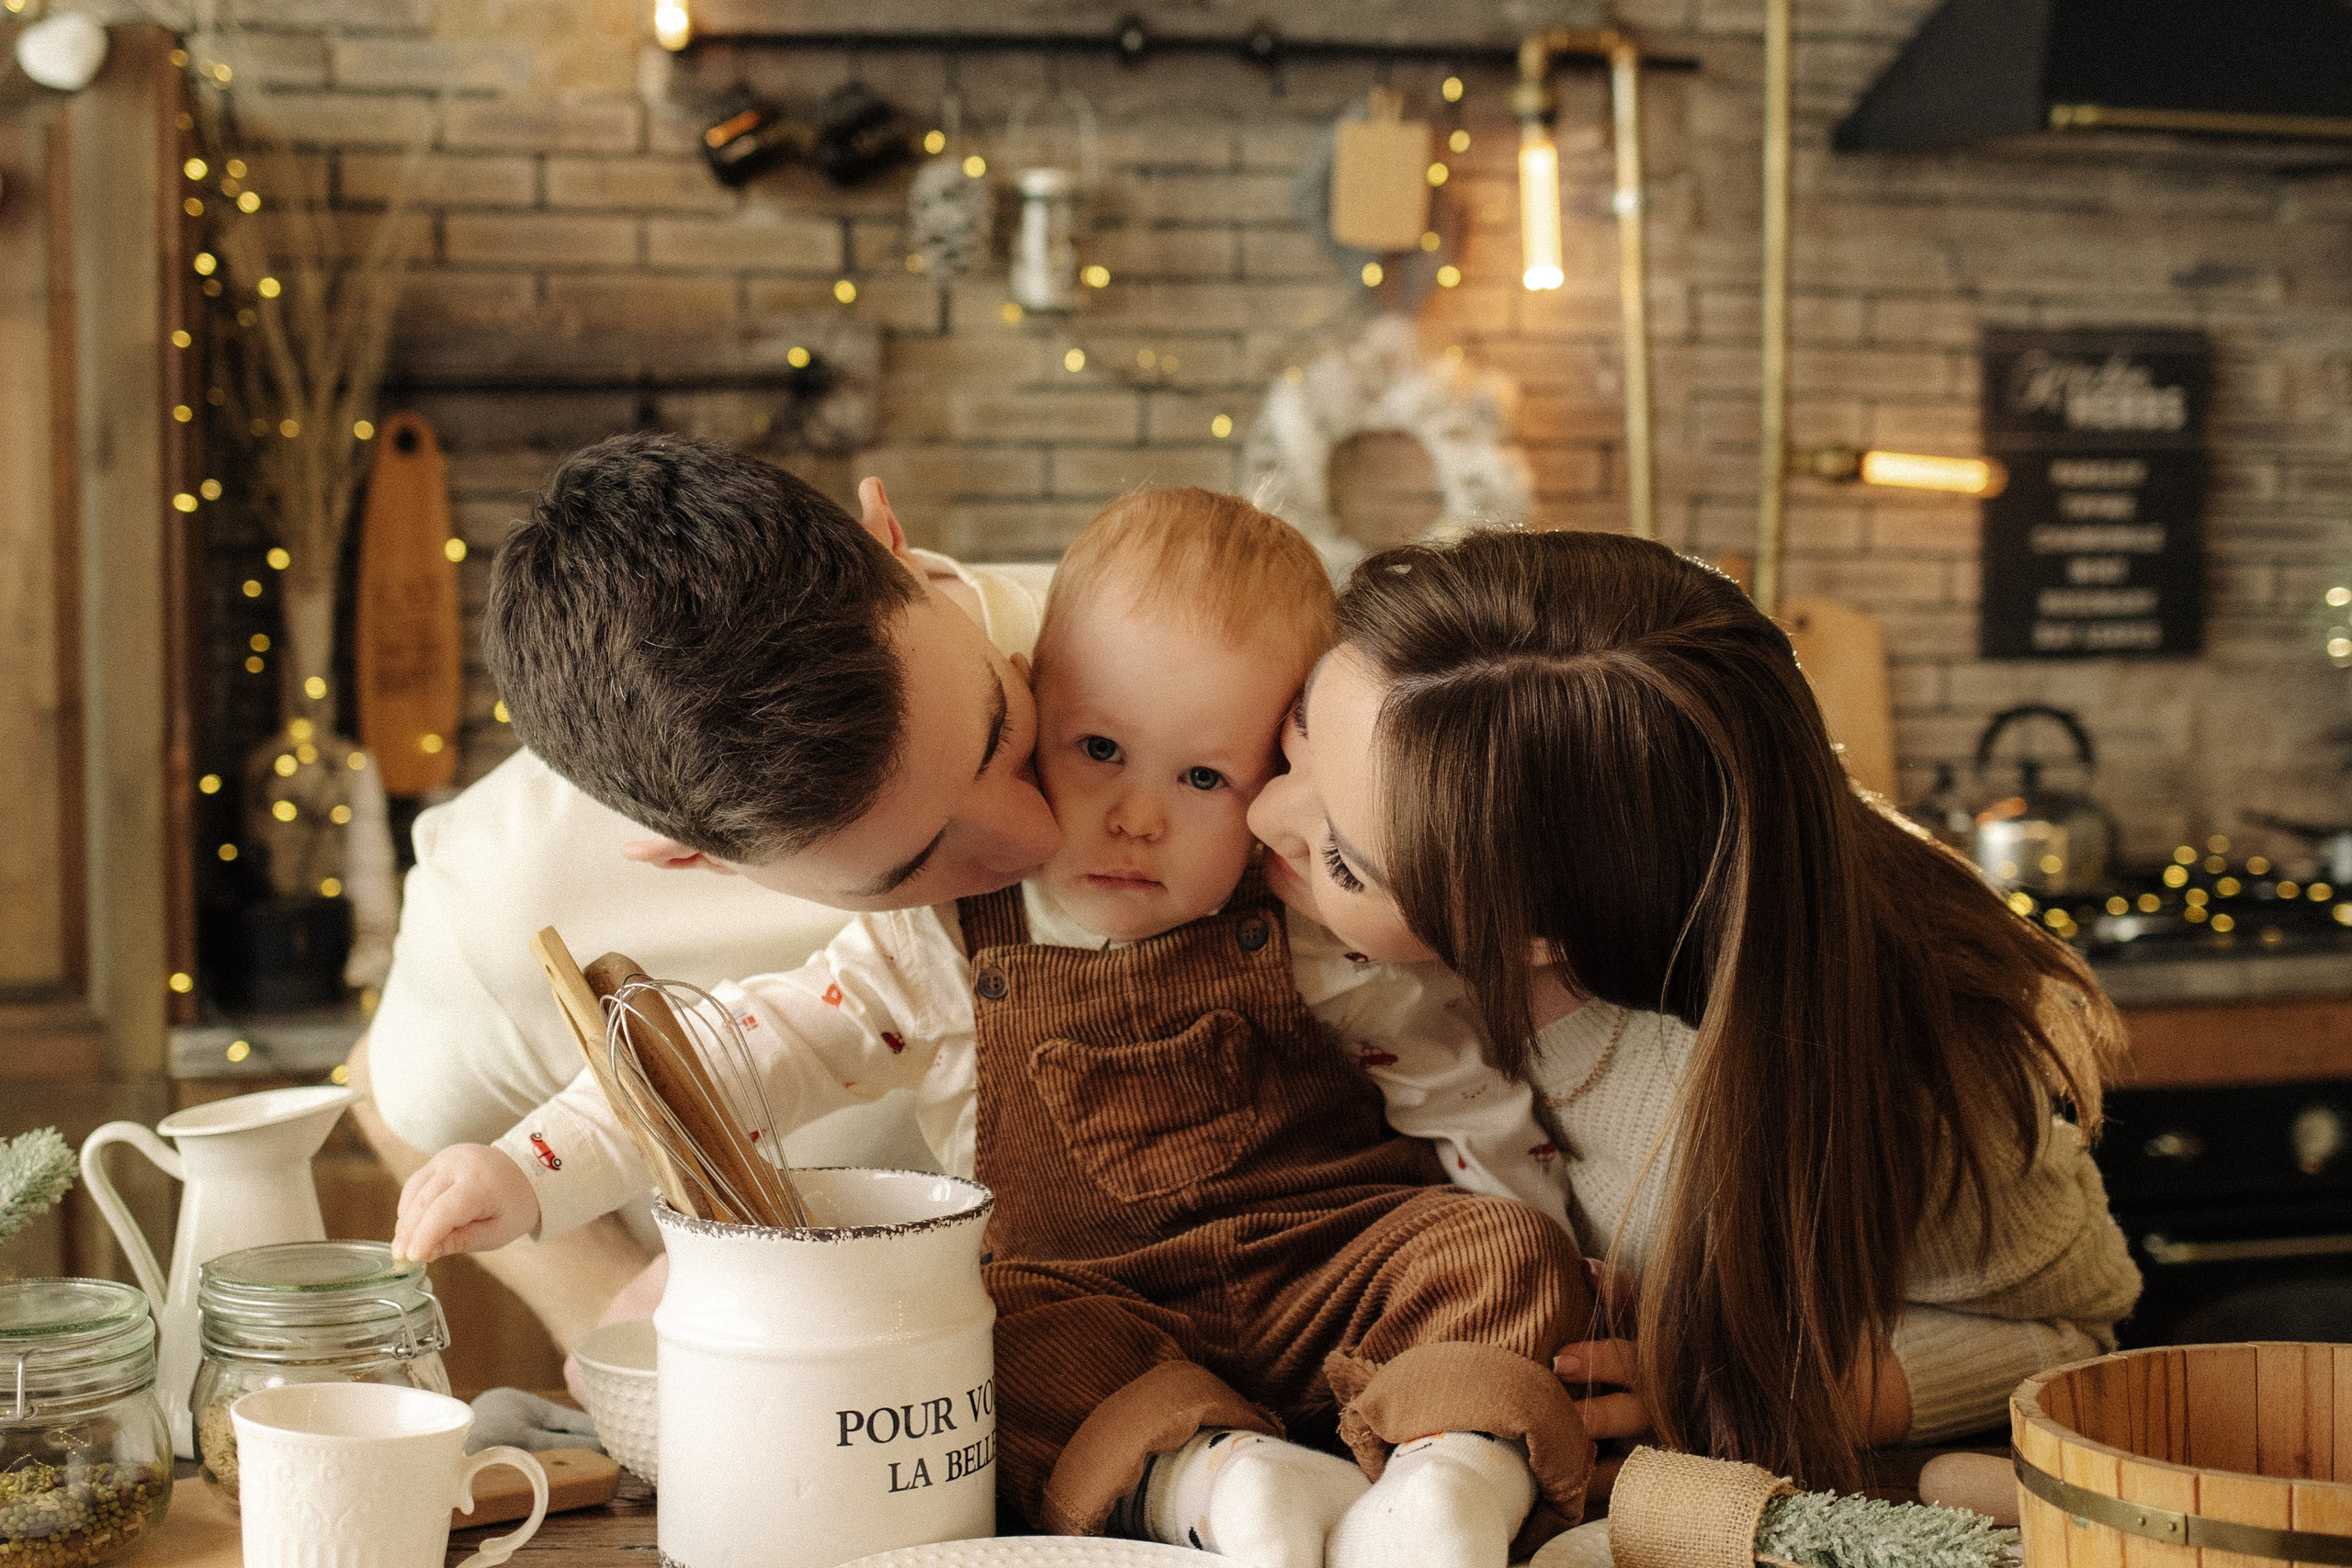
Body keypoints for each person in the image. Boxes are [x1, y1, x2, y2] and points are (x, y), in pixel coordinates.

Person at [395, 490, 1597, 1568]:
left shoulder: (1295, 892)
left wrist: (1561, 1253)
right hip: (1093, 1313)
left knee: (1496, 1248)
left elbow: (1458, 1088)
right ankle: (1221, 1485)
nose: (1129, 819)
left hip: (1330, 1268)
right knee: (976, 1352)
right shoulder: (926, 948)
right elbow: (741, 1050)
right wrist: (530, 1169)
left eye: (1204, 779)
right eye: (1097, 752)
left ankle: (1453, 1476)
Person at [1247, 528, 2142, 1495]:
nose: (1262, 814)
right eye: (1300, 734)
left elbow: (2069, 1333)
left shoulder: (1892, 1070)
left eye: (1343, 861)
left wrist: (1761, 1391)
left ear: (1536, 933)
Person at [348, 435, 1063, 1350]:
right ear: (694, 859)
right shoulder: (506, 886)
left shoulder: (1182, 640)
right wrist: (619, 1319)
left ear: (887, 539)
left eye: (1001, 729)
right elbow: (387, 1096)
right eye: (911, 865)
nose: (1039, 839)